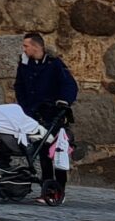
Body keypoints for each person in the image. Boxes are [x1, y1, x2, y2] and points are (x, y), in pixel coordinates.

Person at [13, 31, 80, 205]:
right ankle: (47, 189)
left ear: (36, 47)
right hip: (34, 115)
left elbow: (69, 84)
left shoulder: (54, 65)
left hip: (53, 114)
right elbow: (19, 86)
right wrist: (25, 106)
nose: (24, 49)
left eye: (26, 46)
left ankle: (59, 190)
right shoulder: (25, 65)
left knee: (56, 152)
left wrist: (63, 101)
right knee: (43, 153)